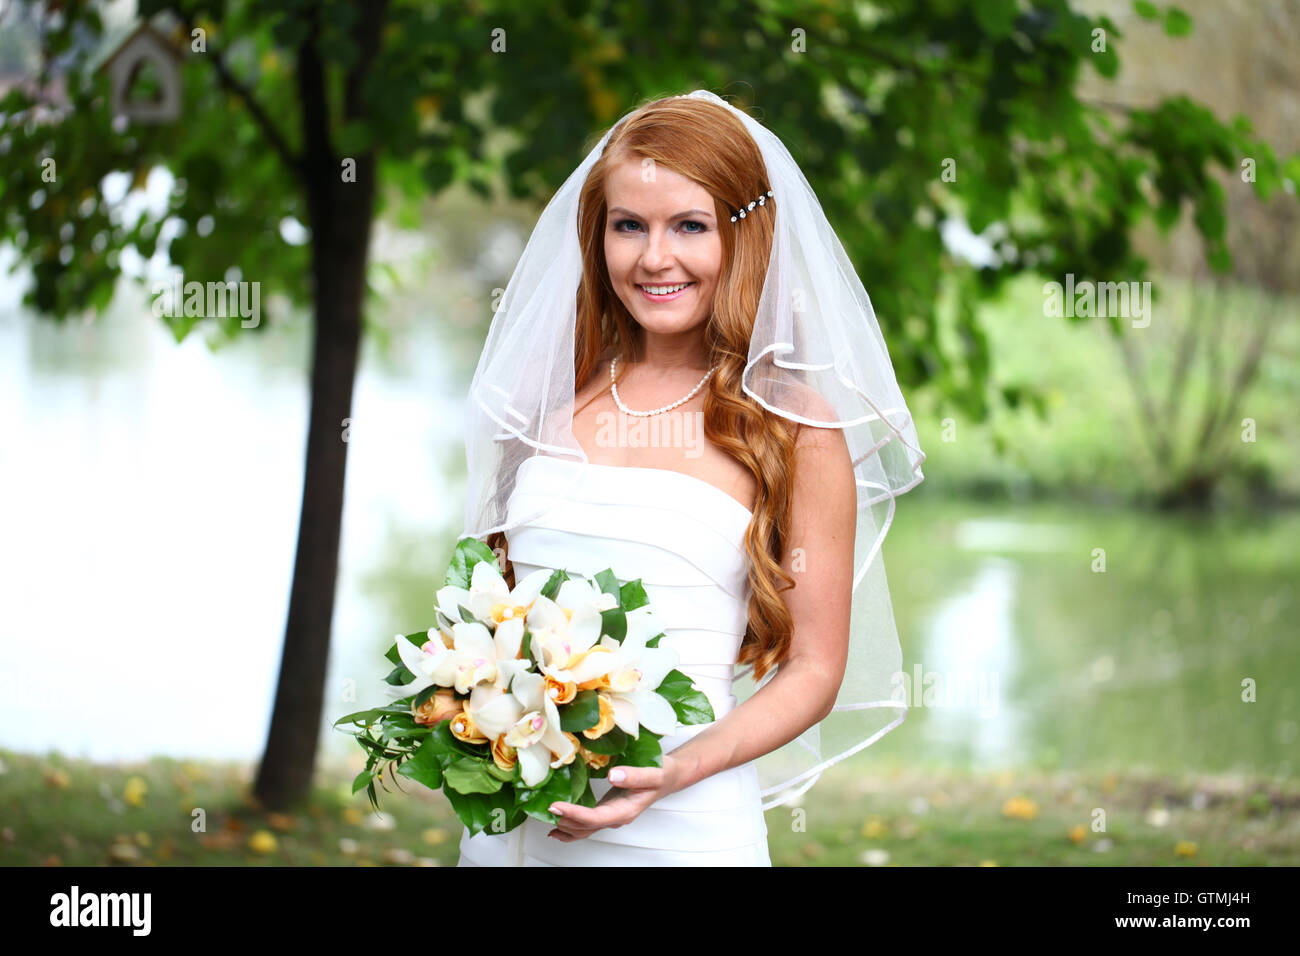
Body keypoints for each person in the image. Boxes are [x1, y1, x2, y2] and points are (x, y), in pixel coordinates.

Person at [455, 90, 925, 866]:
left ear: (744, 235)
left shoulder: (796, 429)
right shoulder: (544, 404)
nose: (654, 258)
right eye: (628, 225)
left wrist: (679, 769)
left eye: (690, 226)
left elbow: (813, 668)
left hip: (685, 828)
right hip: (514, 831)